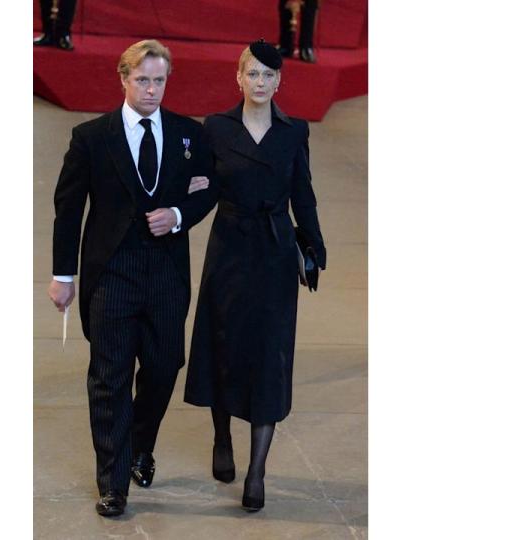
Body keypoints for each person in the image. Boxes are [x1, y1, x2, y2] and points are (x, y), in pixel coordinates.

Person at [48, 39, 216, 517]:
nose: (151, 89)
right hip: (112, 275)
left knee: (165, 367)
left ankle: (141, 443)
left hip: (166, 274)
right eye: (142, 79)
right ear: (122, 79)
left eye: (159, 80)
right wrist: (64, 275)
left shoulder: (189, 135)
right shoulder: (91, 137)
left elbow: (209, 188)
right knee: (110, 376)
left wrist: (180, 213)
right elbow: (68, 211)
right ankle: (114, 481)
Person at [184, 39, 327, 512]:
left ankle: (257, 470)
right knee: (224, 347)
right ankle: (222, 436)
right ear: (238, 77)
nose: (261, 83)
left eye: (269, 75)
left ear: (280, 81)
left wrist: (311, 244)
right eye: (253, 74)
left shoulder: (294, 131)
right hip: (228, 253)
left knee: (270, 356)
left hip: (274, 256)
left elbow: (301, 193)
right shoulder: (217, 129)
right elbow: (201, 189)